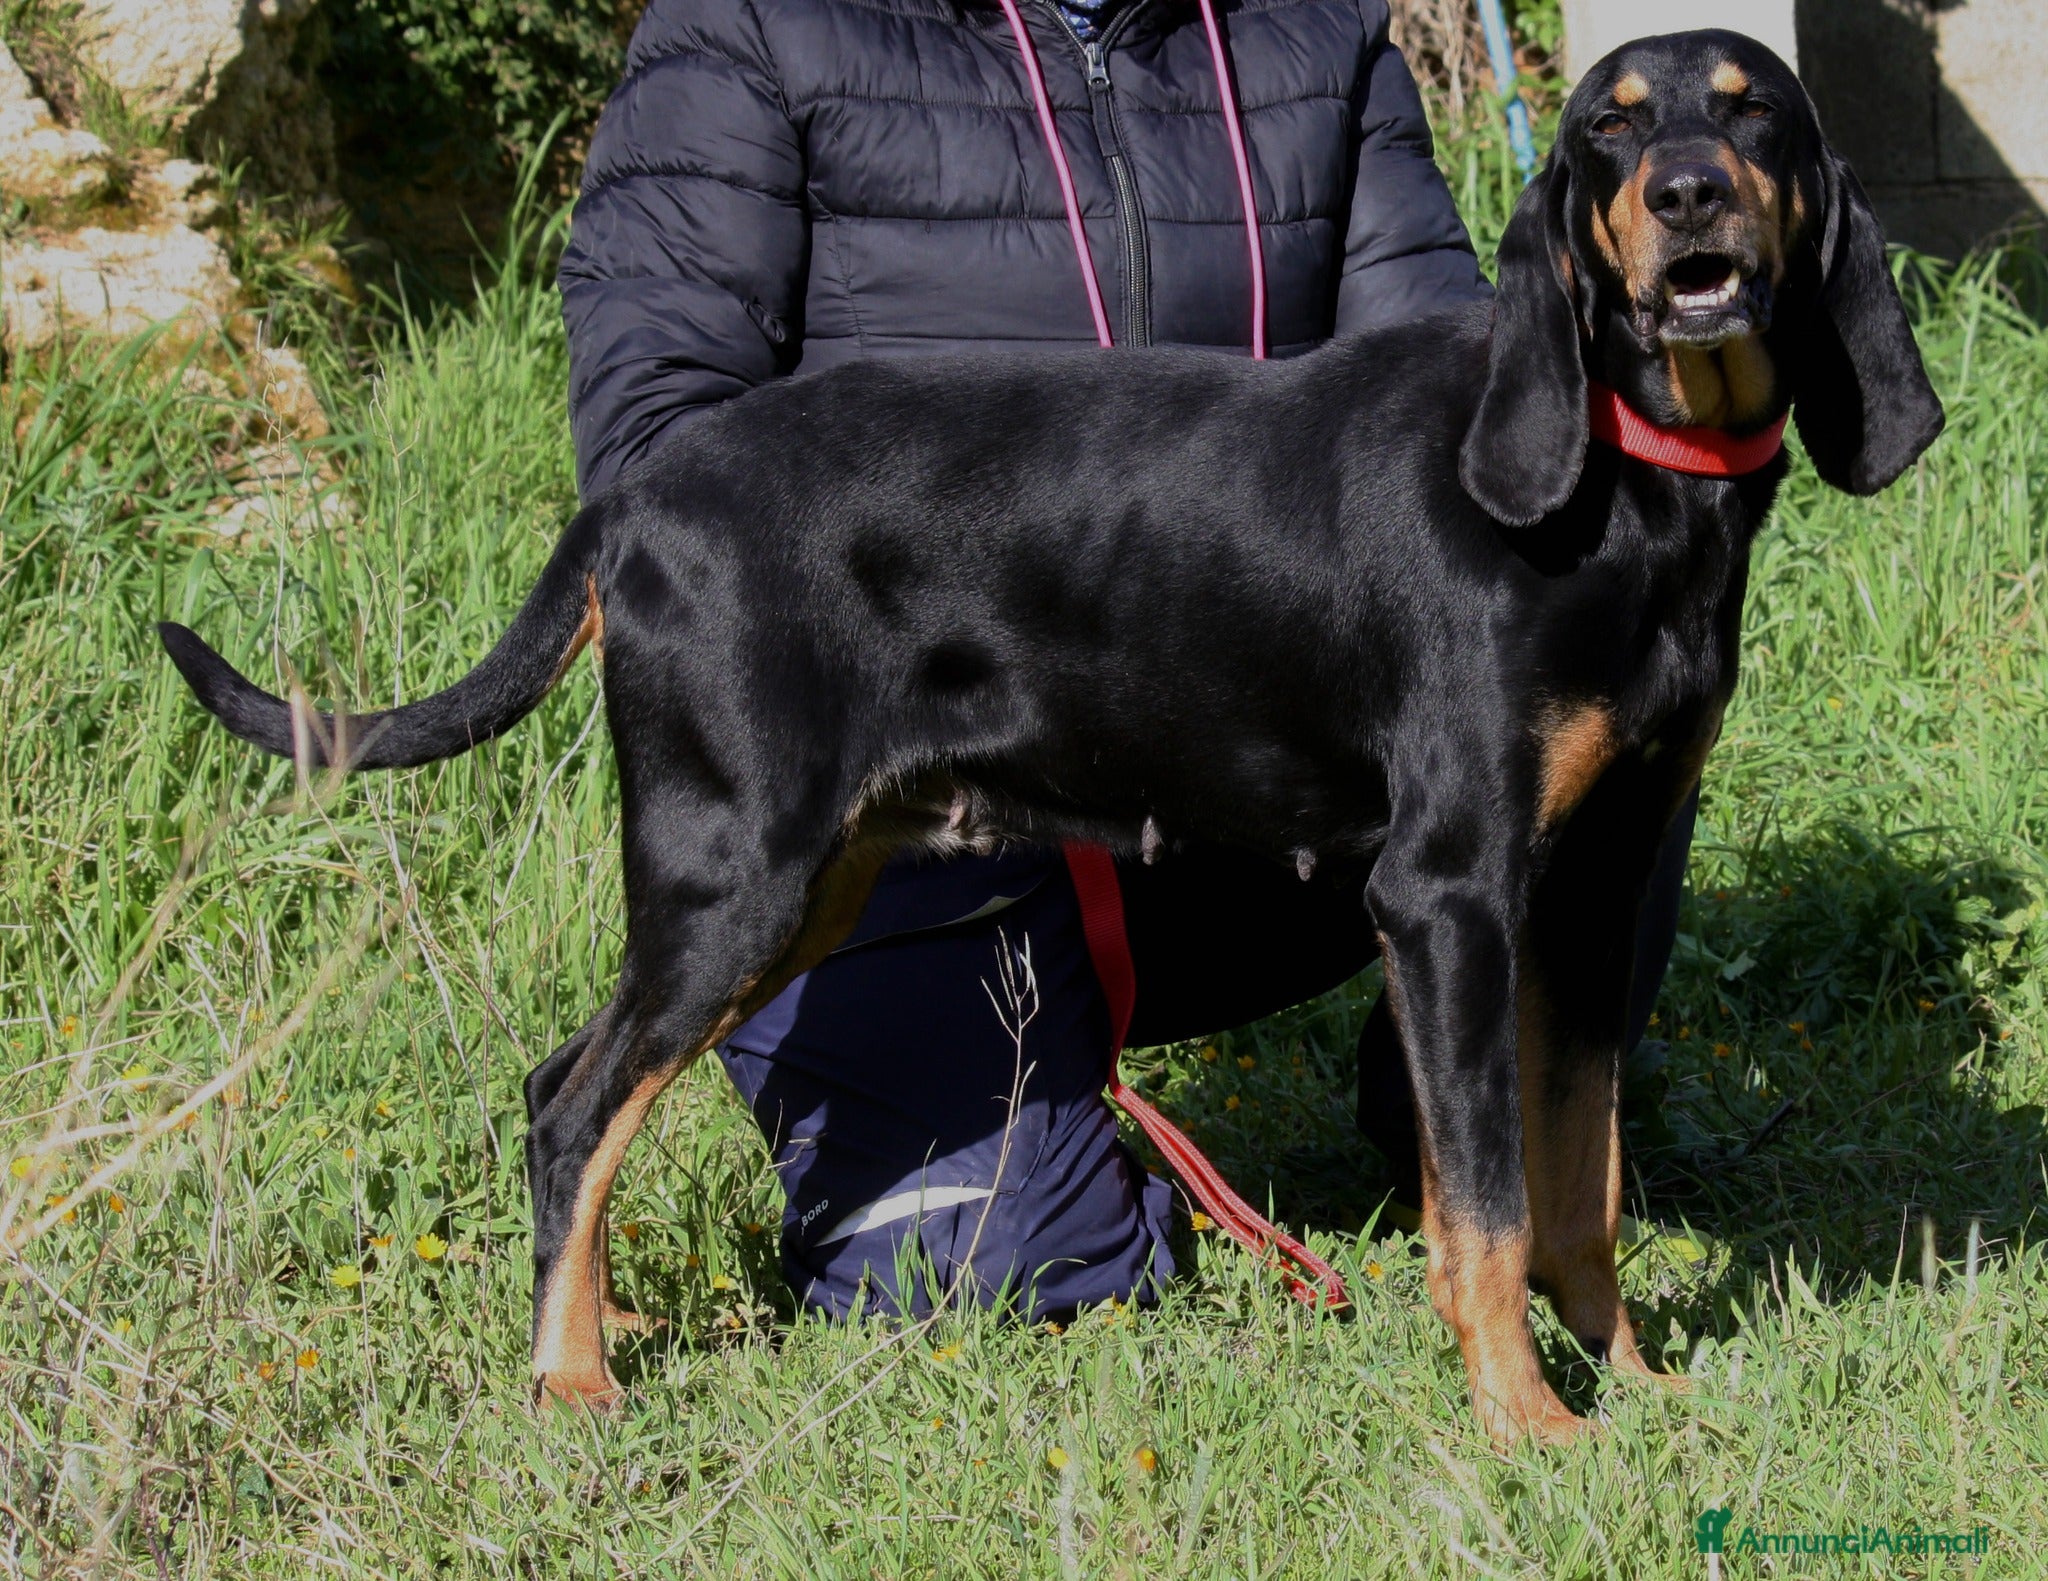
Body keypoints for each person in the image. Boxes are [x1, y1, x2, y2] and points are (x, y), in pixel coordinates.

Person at [559, 0, 1691, 1321]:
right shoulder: (751, 23)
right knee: (991, 1269)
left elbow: (1473, 432)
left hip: (1250, 757)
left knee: (1600, 693)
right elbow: (667, 460)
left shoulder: (1319, 38)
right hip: (922, 760)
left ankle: (1468, 1146)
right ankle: (1036, 1140)